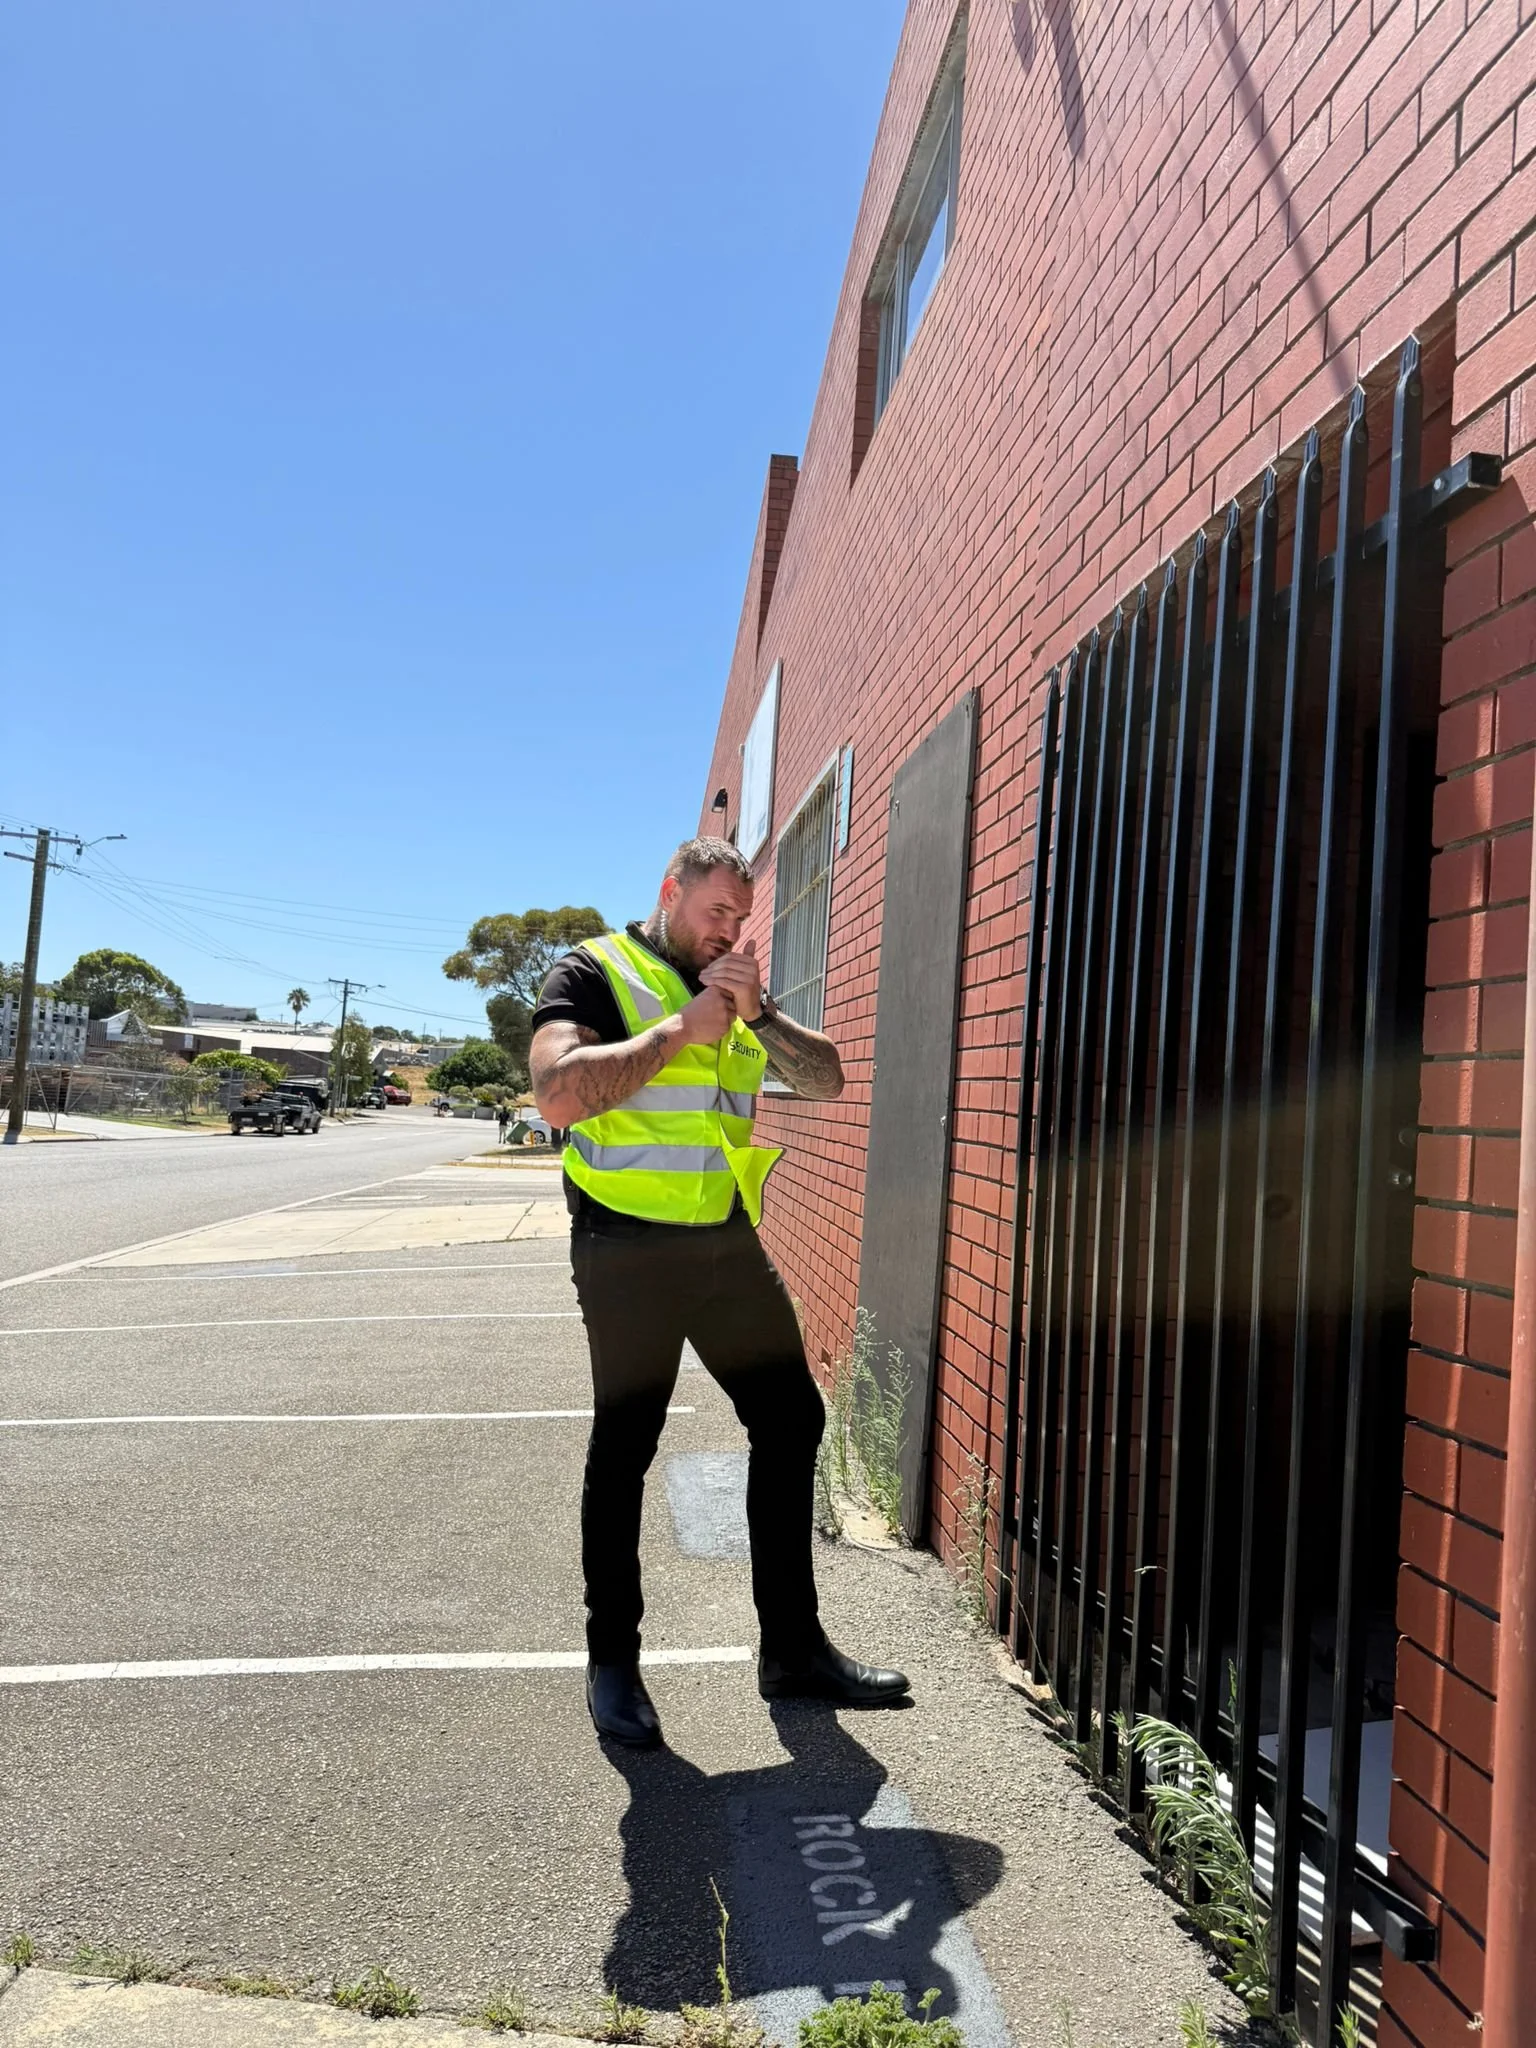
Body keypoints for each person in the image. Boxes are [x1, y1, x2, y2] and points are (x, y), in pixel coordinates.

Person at [531, 836, 909, 1748]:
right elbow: (554, 1095)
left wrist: (762, 1017)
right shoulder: (593, 972)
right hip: (626, 1250)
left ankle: (793, 1650)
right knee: (626, 1447)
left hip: (727, 1247)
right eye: (716, 913)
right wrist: (675, 1034)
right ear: (671, 893)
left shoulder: (737, 992)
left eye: (742, 918)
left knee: (791, 1422)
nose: (730, 930)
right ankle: (612, 1663)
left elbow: (827, 1079)